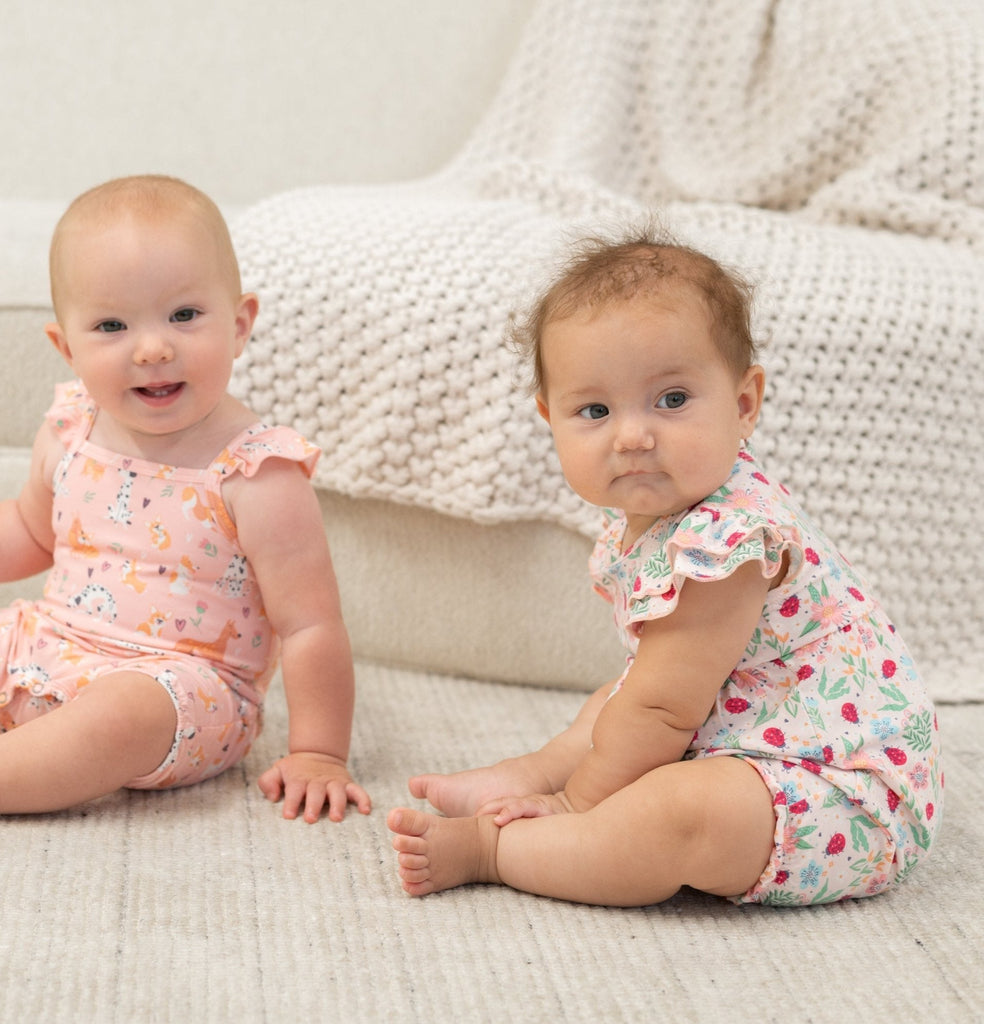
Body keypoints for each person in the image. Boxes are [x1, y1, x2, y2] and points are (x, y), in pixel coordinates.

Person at [389, 232, 942, 906]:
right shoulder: (666, 517)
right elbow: (646, 699)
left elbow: (664, 710)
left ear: (743, 404)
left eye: (672, 400)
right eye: (594, 410)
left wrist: (579, 802)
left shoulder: (730, 542)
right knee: (613, 705)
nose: (632, 436)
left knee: (673, 807)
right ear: (550, 419)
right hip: (749, 733)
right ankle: (524, 774)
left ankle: (500, 849)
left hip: (839, 794)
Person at [0, 175, 370, 823]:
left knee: (122, 715)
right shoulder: (71, 429)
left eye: (184, 315)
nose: (153, 347)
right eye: (112, 325)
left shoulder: (256, 472)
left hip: (184, 687)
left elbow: (311, 624)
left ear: (239, 325)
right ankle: (14, 744)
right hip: (47, 643)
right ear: (67, 349)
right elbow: (26, 533)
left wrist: (320, 753)